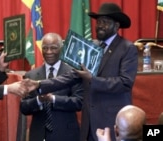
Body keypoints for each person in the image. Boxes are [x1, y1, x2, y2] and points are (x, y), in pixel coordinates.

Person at [22, 2, 138, 141]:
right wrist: (40, 85)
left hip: (110, 121)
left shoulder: (127, 48)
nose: (100, 25)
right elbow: (72, 75)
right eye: (98, 22)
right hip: (89, 122)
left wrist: (92, 79)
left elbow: (125, 83)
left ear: (117, 26)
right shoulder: (93, 46)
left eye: (105, 22)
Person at [20, 33, 83, 141]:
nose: (49, 52)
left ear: (61, 48)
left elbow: (79, 102)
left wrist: (53, 99)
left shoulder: (73, 72)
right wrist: (39, 100)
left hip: (66, 134)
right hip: (39, 135)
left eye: (53, 48)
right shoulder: (31, 75)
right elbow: (24, 107)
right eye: (45, 48)